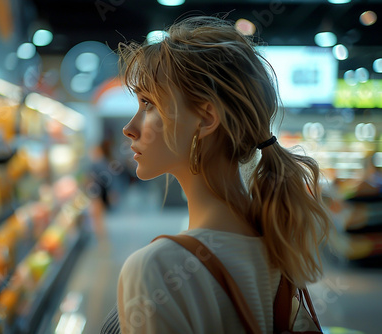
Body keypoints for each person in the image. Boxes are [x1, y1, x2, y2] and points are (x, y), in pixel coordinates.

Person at [100, 15, 331, 334]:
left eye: (148, 103)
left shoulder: (157, 268)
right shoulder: (276, 244)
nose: (129, 128)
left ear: (206, 119)